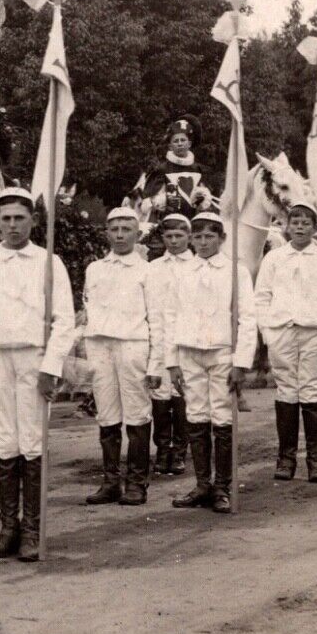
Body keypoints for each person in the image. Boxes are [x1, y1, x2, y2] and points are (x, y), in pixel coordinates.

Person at [0, 187, 76, 562]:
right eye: (6, 218)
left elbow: (65, 320)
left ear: (33, 220)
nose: (12, 225)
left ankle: (32, 529)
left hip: (34, 357)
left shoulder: (50, 263)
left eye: (20, 218)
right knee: (3, 440)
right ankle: (8, 528)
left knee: (32, 440)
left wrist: (51, 368)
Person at [167, 213, 256, 514]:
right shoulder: (183, 271)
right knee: (196, 415)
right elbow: (171, 316)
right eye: (198, 237)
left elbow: (247, 317)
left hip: (221, 352)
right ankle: (202, 484)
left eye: (210, 237)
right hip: (189, 351)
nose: (203, 242)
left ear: (221, 239)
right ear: (191, 239)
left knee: (221, 416)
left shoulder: (235, 271)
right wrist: (172, 361)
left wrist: (241, 361)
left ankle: (222, 487)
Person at [253, 199, 317, 484]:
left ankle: (314, 461)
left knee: (311, 390)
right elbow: (261, 298)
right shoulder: (274, 258)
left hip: (313, 332)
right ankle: (286, 459)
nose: (300, 228)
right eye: (295, 223)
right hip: (281, 331)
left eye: (306, 223)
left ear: (315, 228)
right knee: (286, 391)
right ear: (286, 226)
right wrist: (267, 332)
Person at [81, 207, 162, 506]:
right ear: (106, 233)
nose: (119, 234)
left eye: (126, 229)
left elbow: (158, 320)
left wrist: (156, 363)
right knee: (107, 413)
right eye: (113, 229)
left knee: (138, 414)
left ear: (138, 234)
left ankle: (137, 484)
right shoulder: (95, 269)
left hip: (133, 346)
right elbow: (89, 307)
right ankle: (111, 482)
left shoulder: (148, 271)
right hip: (100, 347)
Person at [147, 213, 195, 476]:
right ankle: (162, 449)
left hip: (186, 338)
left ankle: (180, 450)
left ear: (188, 236)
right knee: (159, 395)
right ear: (162, 238)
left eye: (179, 236)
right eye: (169, 236)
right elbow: (151, 306)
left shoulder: (196, 265)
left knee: (181, 395)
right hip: (160, 335)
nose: (174, 241)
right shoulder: (154, 267)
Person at [143, 116, 216, 218]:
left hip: (192, 221)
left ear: (189, 143)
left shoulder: (198, 169)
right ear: (170, 146)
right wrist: (163, 200)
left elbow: (206, 203)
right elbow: (147, 204)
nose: (180, 144)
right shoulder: (161, 169)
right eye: (176, 141)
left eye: (183, 140)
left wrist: (202, 199)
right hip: (168, 222)